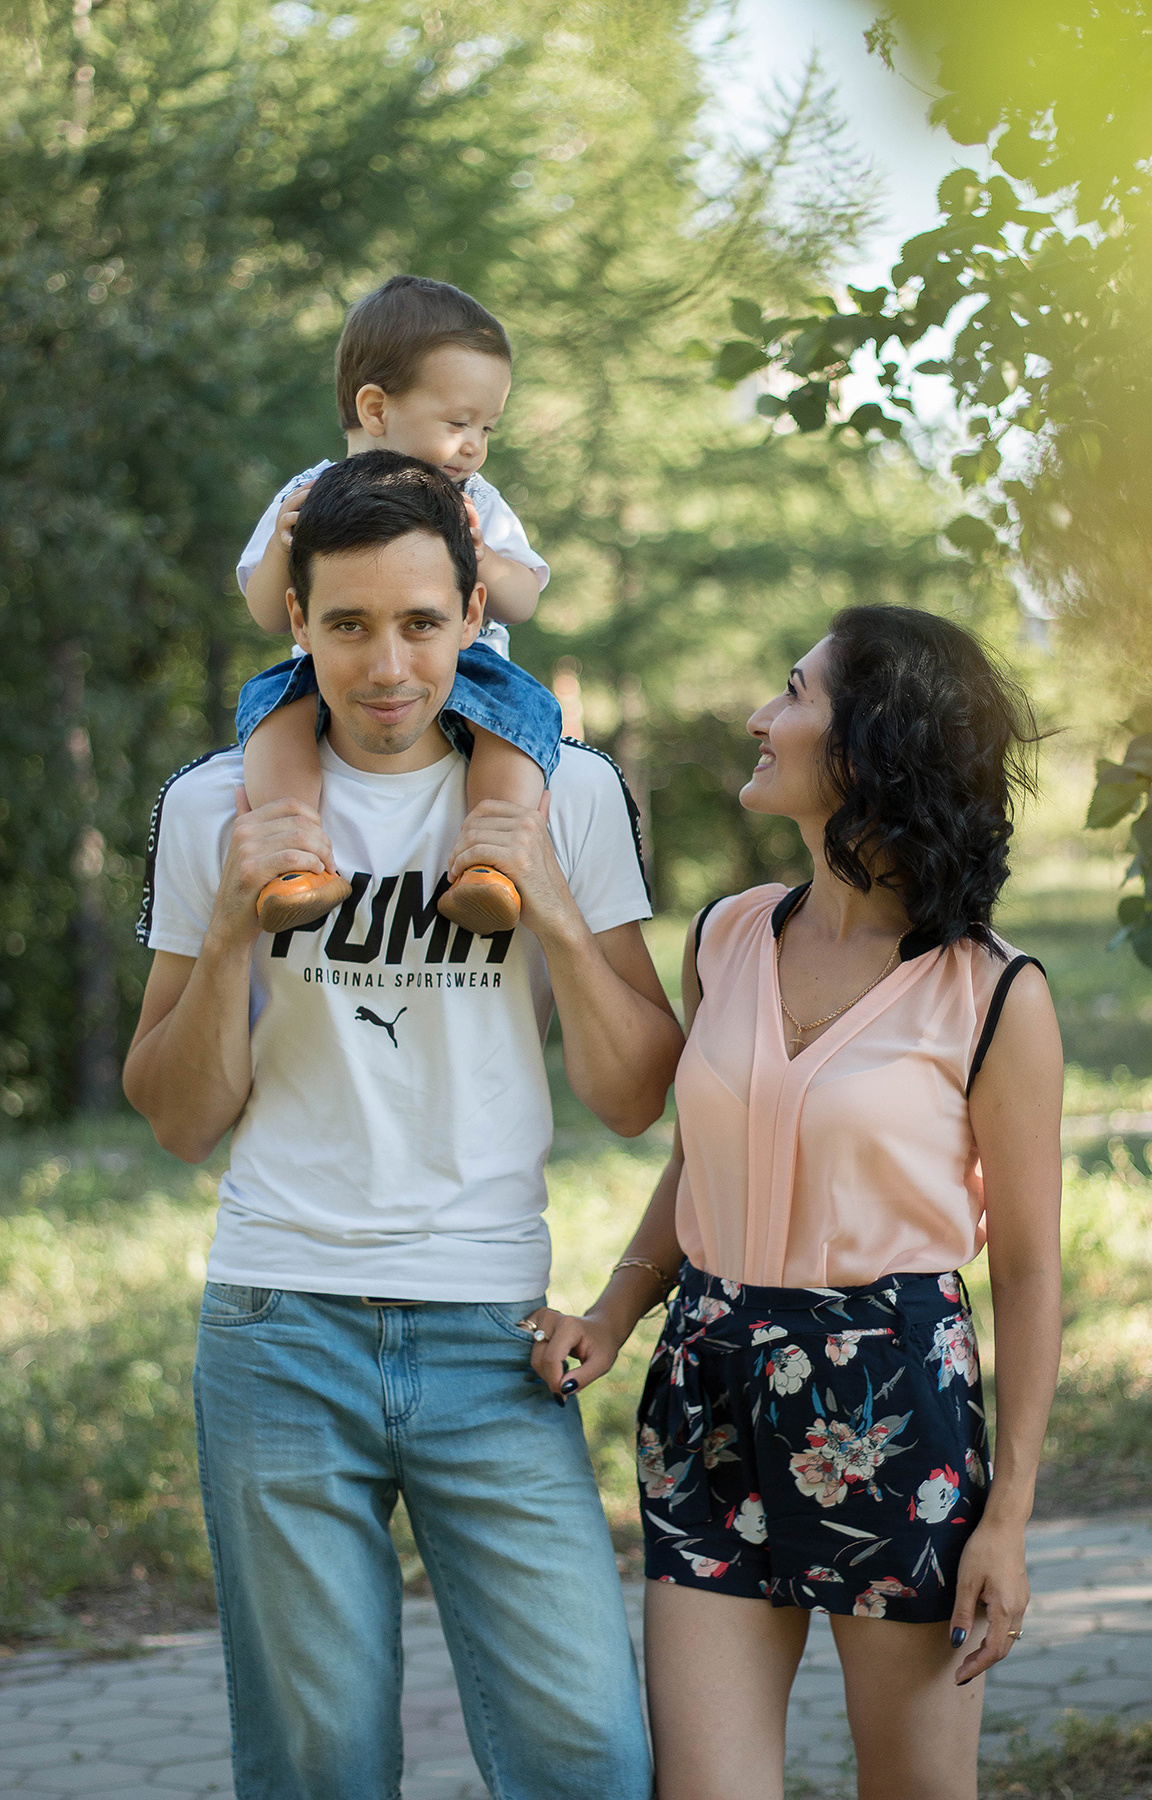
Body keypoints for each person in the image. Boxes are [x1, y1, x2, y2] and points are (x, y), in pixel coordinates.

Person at [123, 452, 682, 1800]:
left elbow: (630, 1094)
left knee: (589, 1757)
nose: (386, 666)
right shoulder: (218, 806)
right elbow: (180, 1117)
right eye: (348, 626)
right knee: (319, 1764)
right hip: (279, 1330)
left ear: (475, 611)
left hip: (489, 1336)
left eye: (423, 624)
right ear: (296, 624)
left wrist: (544, 898)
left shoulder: (567, 792)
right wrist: (221, 929)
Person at [521, 606, 1064, 1800]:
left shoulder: (993, 993)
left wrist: (1009, 1518)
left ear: (870, 745)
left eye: (794, 691)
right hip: (706, 1384)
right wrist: (614, 1319)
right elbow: (698, 1159)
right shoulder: (727, 936)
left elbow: (1026, 1270)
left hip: (894, 1403)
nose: (763, 717)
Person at [236, 273, 560, 939]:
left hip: (466, 668)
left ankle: (489, 866)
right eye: (458, 422)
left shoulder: (478, 500)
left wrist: (486, 555)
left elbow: (522, 601)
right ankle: (294, 861)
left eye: (486, 427)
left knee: (522, 721)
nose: (474, 444)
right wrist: (279, 547)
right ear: (377, 410)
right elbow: (270, 614)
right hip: (333, 670)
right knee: (269, 715)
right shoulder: (308, 495)